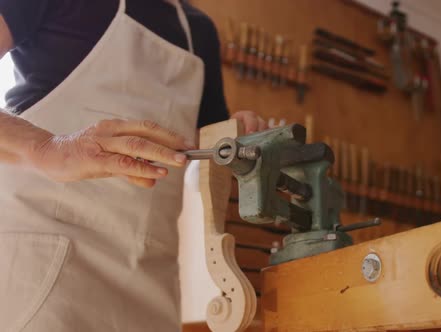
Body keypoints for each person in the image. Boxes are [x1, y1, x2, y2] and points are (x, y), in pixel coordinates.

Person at [0, 0, 266, 330]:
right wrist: (46, 148)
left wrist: (235, 138)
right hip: (44, 264)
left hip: (150, 280)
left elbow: (204, 144)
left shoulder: (199, 30)